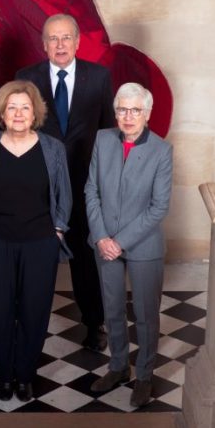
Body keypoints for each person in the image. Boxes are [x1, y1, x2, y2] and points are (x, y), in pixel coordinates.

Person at [15, 13, 115, 352]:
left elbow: (107, 134)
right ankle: (30, 326)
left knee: (87, 260)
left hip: (85, 185)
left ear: (77, 42)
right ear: (44, 45)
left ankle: (94, 323)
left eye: (66, 38)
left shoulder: (98, 77)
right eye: (53, 39)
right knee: (36, 259)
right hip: (40, 187)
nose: (60, 45)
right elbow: (18, 130)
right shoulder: (26, 78)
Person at [0, 80, 72, 402]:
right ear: (1, 112)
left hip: (39, 243)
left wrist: (57, 230)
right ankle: (4, 376)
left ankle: (26, 373)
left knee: (34, 311)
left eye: (25, 107)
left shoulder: (53, 148)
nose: (18, 113)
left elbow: (64, 194)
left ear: (35, 113)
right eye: (12, 107)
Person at [85, 82, 172, 408]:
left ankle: (145, 374)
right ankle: (118, 366)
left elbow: (158, 207)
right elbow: (90, 191)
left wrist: (118, 242)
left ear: (147, 114)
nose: (128, 116)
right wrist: (101, 237)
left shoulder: (162, 150)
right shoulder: (103, 140)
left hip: (142, 245)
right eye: (122, 109)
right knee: (112, 309)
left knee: (146, 314)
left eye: (135, 110)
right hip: (104, 241)